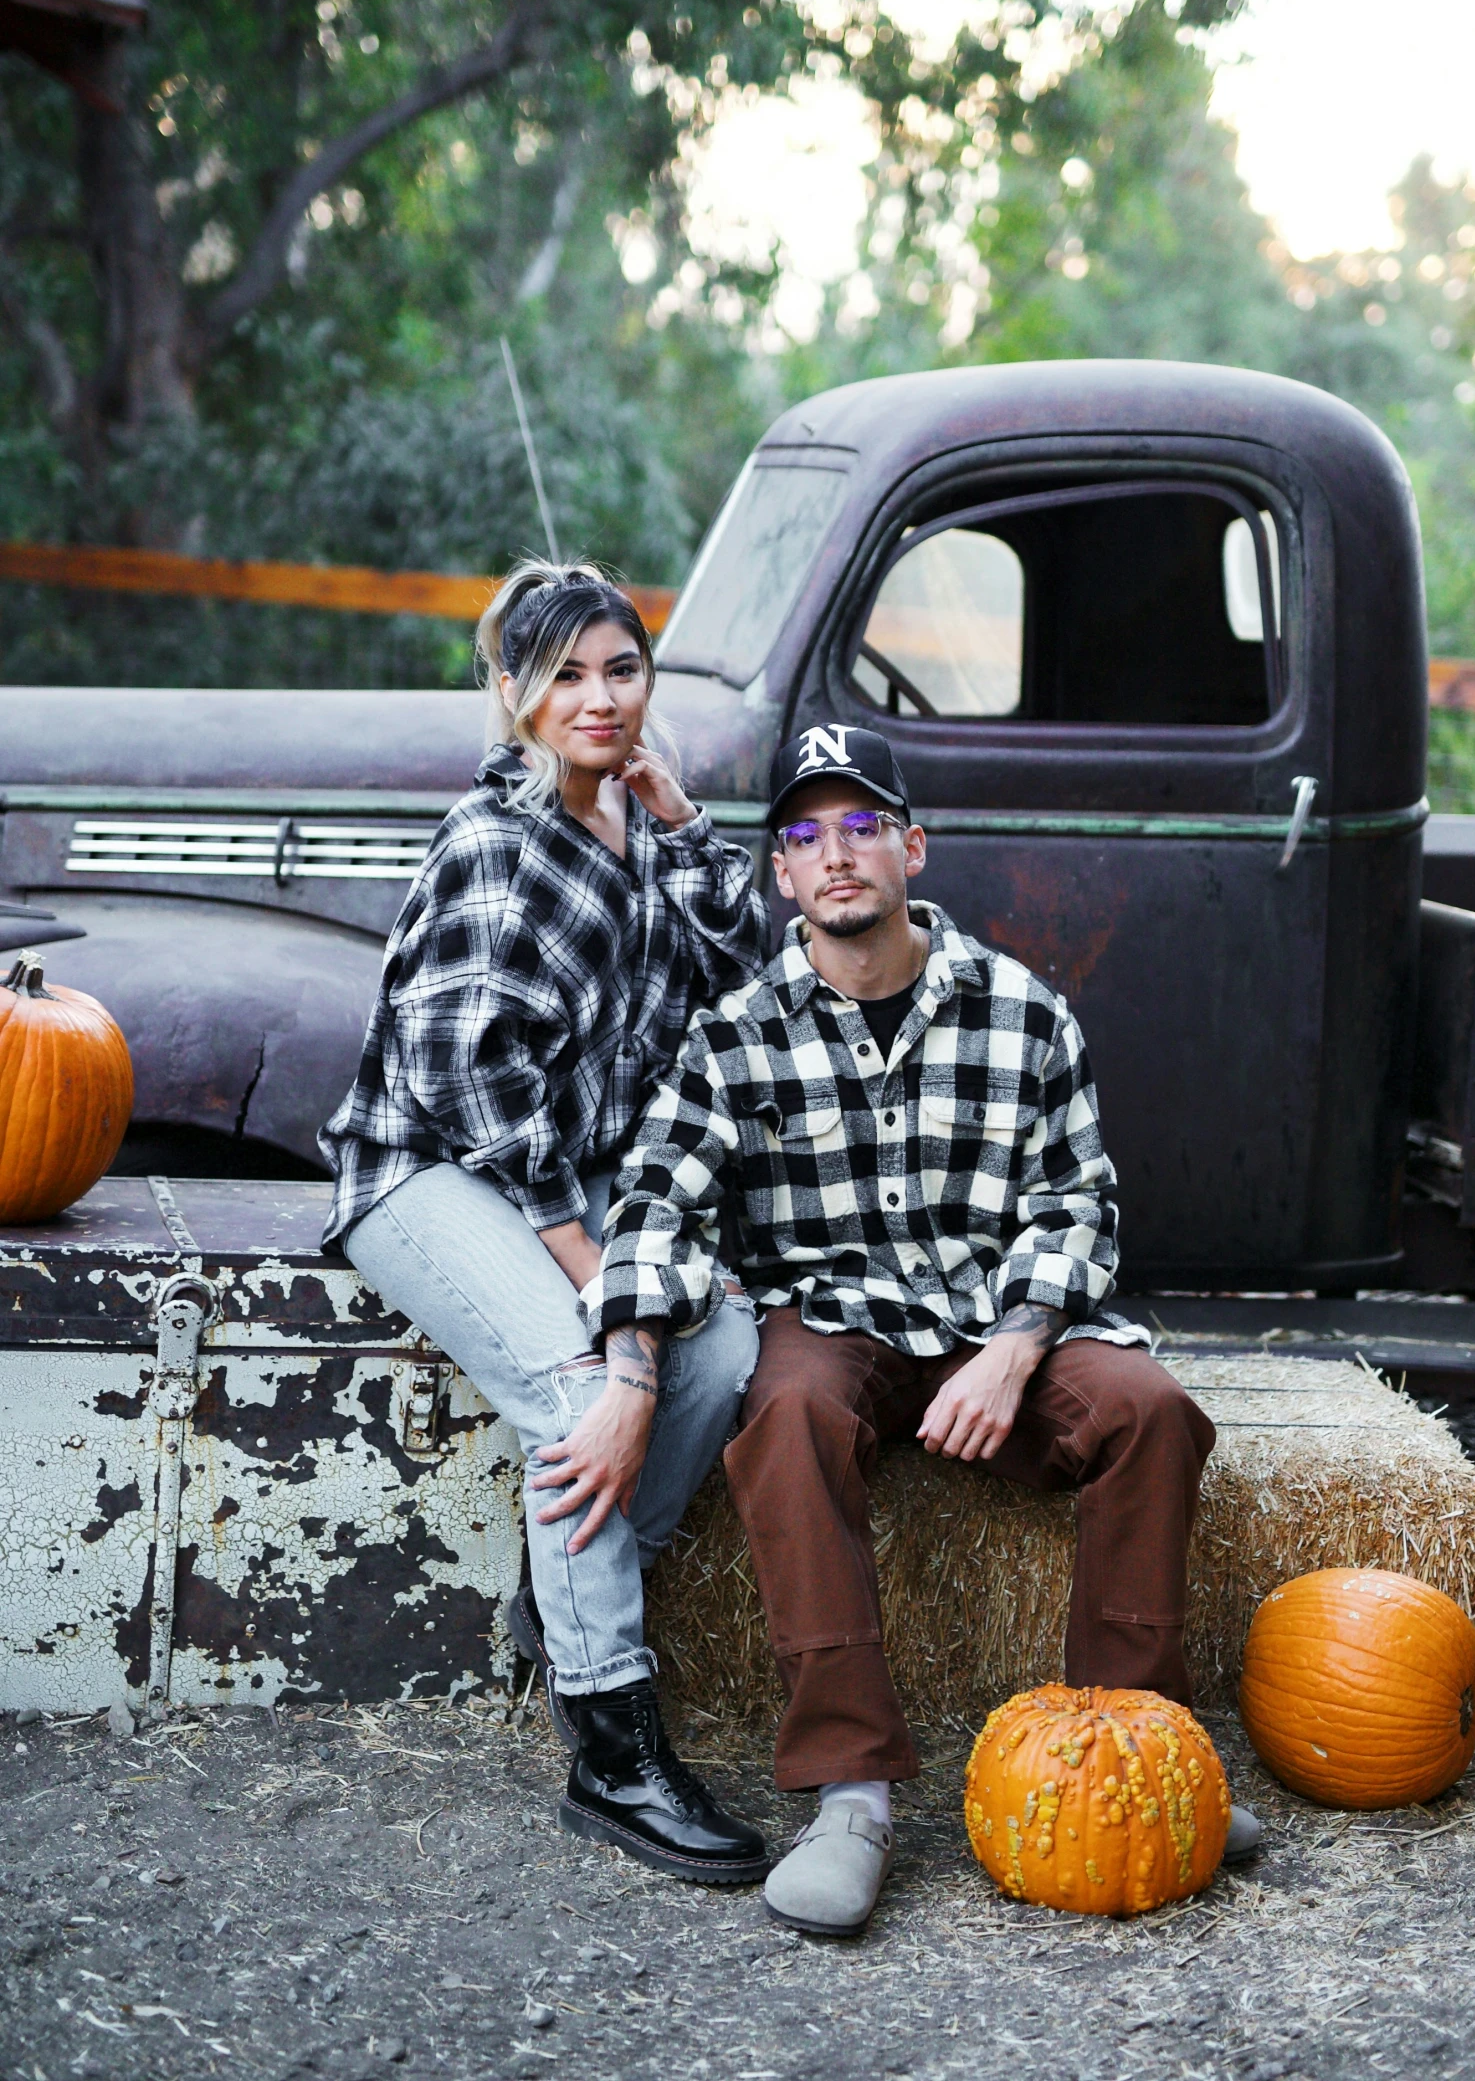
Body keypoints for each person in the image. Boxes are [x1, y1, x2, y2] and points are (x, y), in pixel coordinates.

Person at [589, 721, 1261, 1933]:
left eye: (860, 827)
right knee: (782, 1411)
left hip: (989, 1318)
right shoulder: (736, 1035)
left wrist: (1014, 1347)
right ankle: (852, 1797)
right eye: (804, 835)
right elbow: (653, 1204)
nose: (835, 854)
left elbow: (1078, 1201)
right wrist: (632, 1366)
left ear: (913, 847)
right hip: (835, 1324)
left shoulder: (1022, 1012)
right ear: (782, 877)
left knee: (1151, 1411)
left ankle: (1142, 1754)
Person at [319, 560, 770, 1886]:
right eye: (562, 674)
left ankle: (556, 1598)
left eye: (621, 667)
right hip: (432, 1168)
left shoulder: (640, 828)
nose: (599, 698)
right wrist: (607, 1292)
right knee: (588, 1390)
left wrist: (679, 814)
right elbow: (468, 1086)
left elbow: (749, 988)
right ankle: (614, 1753)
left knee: (727, 1352)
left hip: (583, 1176)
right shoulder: (497, 844)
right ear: (511, 693)